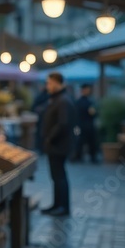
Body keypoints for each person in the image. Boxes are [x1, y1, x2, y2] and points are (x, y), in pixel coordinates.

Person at [40, 72, 76, 217]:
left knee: (59, 176)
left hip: (59, 145)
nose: (47, 86)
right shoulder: (57, 99)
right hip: (55, 145)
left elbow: (63, 123)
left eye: (49, 83)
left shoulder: (63, 101)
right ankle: (57, 204)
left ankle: (62, 207)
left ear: (56, 82)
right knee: (56, 176)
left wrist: (49, 138)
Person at [73, 83, 99, 162]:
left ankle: (85, 156)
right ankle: (79, 156)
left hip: (85, 124)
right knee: (81, 141)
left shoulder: (86, 101)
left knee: (88, 141)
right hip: (83, 124)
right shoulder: (83, 102)